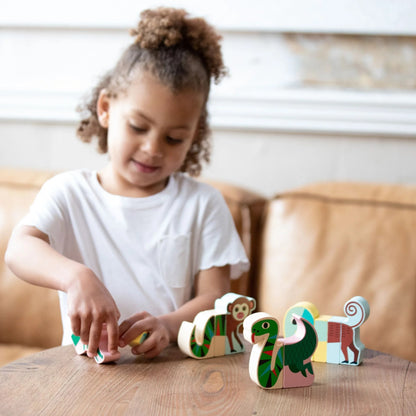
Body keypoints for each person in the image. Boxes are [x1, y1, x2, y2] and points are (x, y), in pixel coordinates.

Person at [5, 7, 249, 360]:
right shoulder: (69, 193)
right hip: (88, 375)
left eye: (174, 138)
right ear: (106, 108)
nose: (152, 149)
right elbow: (19, 249)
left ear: (194, 136)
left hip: (174, 375)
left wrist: (168, 325)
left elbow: (216, 300)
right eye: (138, 127)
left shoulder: (204, 204)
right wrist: (76, 277)